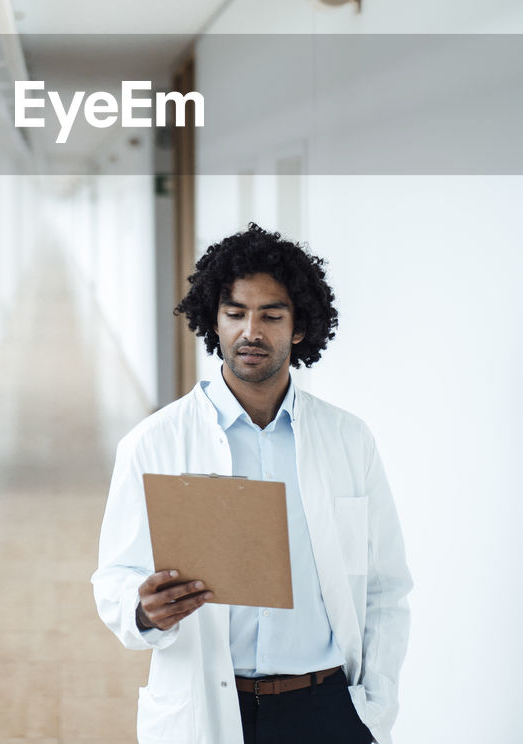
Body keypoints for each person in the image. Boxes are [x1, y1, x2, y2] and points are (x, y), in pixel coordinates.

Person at [92, 224, 411, 744]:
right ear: (213, 322)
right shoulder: (153, 444)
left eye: (271, 314)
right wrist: (142, 610)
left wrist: (373, 705)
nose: (251, 332)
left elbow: (385, 588)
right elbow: (114, 578)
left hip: (327, 708)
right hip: (210, 708)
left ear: (300, 326)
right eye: (235, 313)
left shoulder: (349, 441)